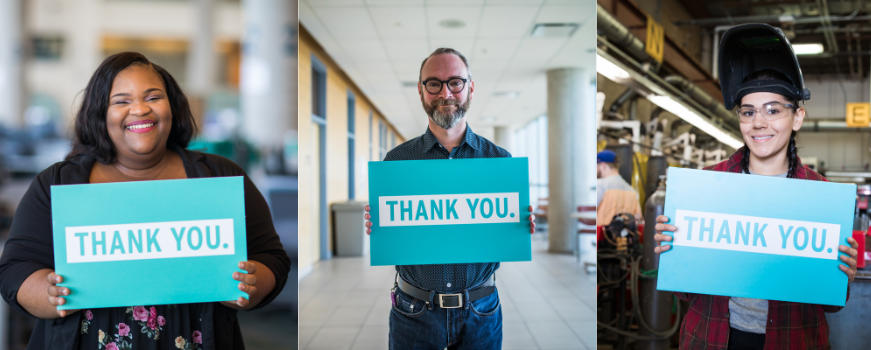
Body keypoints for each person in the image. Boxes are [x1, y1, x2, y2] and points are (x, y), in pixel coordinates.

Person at [0, 52, 291, 350]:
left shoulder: (219, 176)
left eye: (153, 97)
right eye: (121, 101)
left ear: (173, 107)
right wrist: (47, 295)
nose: (139, 109)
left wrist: (252, 285)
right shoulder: (57, 183)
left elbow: (271, 257)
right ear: (100, 113)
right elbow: (15, 270)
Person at [653, 24, 858, 350]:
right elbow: (684, 291)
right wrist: (674, 249)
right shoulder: (706, 186)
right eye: (748, 112)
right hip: (713, 338)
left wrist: (843, 274)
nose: (759, 122)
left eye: (773, 110)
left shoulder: (822, 198)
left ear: (798, 117)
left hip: (791, 339)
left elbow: (832, 303)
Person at [361, 48, 535, 350]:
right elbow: (393, 228)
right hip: (414, 312)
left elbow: (503, 229)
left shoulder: (499, 161)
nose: (446, 92)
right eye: (434, 84)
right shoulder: (396, 163)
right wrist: (379, 223)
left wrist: (519, 223)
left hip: (481, 311)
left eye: (456, 82)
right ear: (420, 90)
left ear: (470, 87)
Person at [596, 150, 642, 226]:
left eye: (597, 167)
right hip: (624, 236)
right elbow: (638, 217)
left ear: (603, 166)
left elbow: (589, 213)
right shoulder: (632, 190)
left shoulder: (600, 184)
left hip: (601, 236)